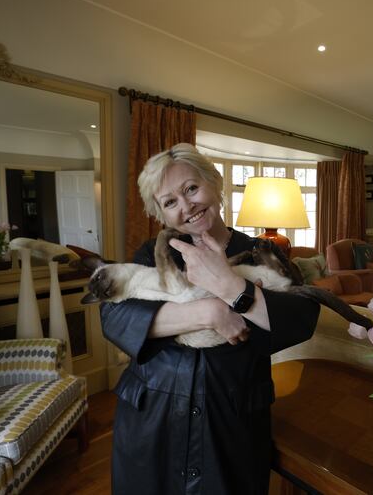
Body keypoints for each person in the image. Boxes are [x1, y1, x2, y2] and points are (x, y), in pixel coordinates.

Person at [101, 143, 320, 494]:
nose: (186, 206)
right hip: (153, 419)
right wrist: (209, 313)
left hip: (229, 423)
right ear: (161, 214)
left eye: (191, 188)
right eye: (170, 202)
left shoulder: (261, 251)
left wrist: (231, 288)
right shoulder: (151, 254)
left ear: (214, 184)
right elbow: (114, 315)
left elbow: (301, 318)